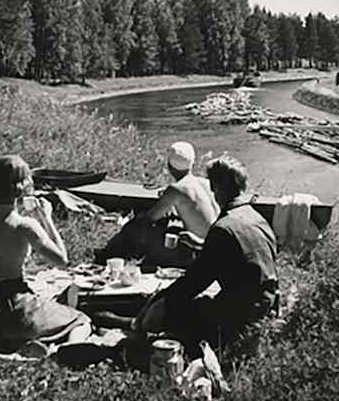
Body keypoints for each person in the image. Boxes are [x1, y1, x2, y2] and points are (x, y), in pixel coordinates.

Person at [133, 155, 278, 357]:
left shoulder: (223, 228)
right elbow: (241, 256)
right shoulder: (257, 218)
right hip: (267, 305)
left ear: (215, 187)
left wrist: (160, 301)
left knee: (178, 308)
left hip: (241, 314)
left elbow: (194, 282)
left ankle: (154, 343)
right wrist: (203, 245)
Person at [0, 155, 91, 355]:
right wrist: (46, 219)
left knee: (25, 319)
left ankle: (24, 344)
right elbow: (62, 260)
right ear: (23, 188)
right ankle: (63, 351)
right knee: (81, 320)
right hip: (17, 310)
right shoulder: (24, 225)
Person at [94, 141, 220, 269]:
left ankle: (107, 254)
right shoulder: (206, 183)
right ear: (192, 163)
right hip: (217, 248)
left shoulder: (177, 189)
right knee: (169, 227)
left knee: (137, 226)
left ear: (169, 166)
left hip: (198, 251)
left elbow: (150, 218)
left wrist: (140, 215)